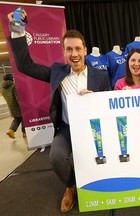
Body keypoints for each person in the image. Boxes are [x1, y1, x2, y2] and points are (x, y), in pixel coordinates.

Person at [7, 10, 111, 213]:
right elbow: (24, 66)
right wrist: (17, 30)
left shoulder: (101, 75)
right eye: (69, 49)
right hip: (67, 127)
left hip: (94, 128)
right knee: (56, 157)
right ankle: (71, 186)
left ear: (85, 50)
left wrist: (94, 100)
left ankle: (100, 182)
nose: (74, 54)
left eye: (78, 49)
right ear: (64, 52)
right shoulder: (57, 71)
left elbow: (107, 104)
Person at [1, 73, 26, 139]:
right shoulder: (13, 86)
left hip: (11, 106)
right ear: (11, 78)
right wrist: (23, 105)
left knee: (16, 119)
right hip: (18, 106)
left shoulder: (2, 87)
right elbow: (17, 98)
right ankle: (24, 133)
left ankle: (11, 130)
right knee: (23, 118)